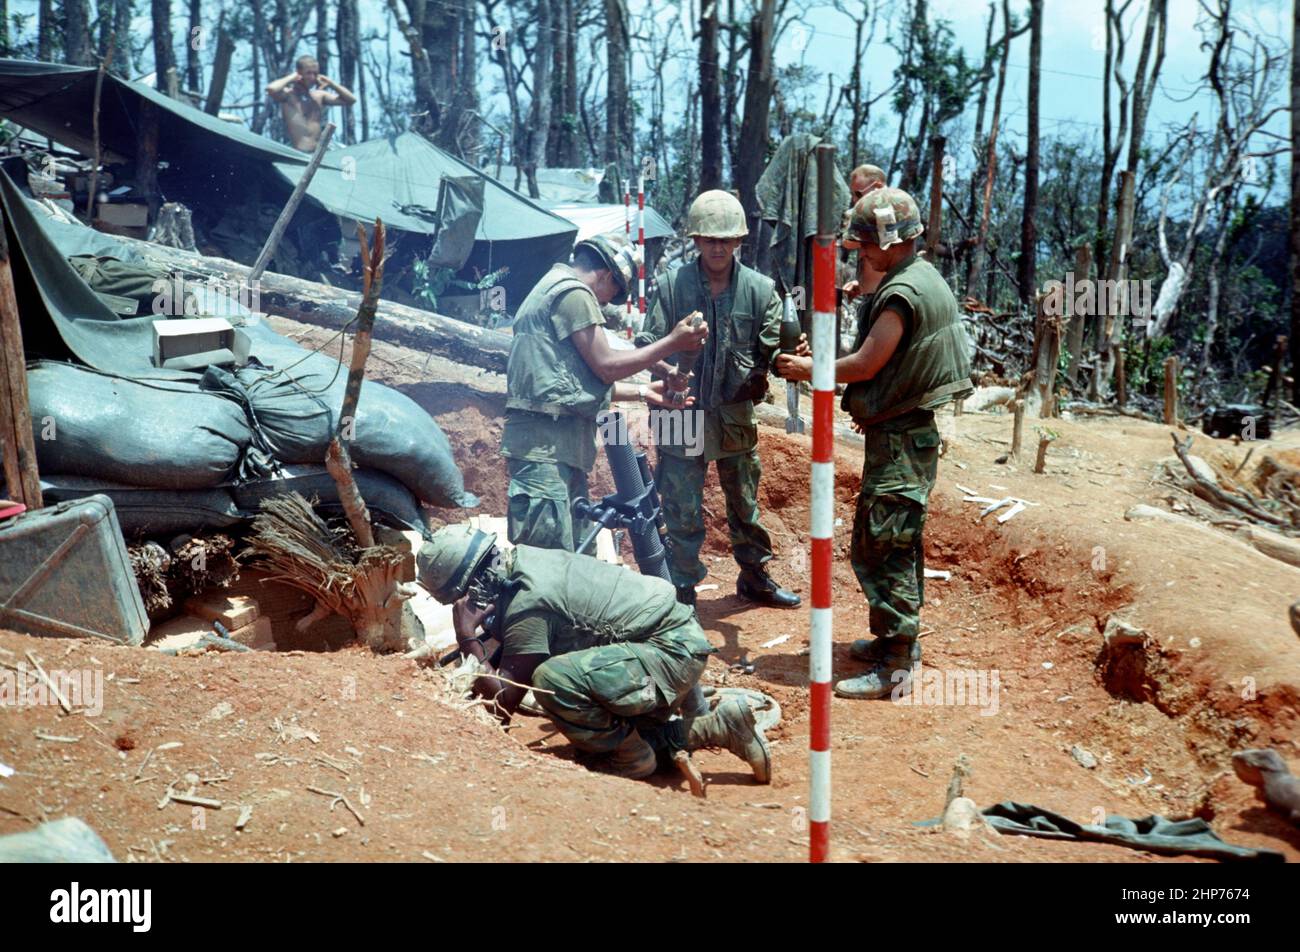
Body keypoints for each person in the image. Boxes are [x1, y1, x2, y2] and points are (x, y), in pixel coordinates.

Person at [776, 187, 973, 700]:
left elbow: (866, 364)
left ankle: (895, 665)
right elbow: (880, 361)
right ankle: (896, 642)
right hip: (903, 434)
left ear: (889, 241)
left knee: (882, 547)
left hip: (902, 442)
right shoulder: (916, 279)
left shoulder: (901, 293)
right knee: (895, 543)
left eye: (864, 243)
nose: (859, 252)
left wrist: (810, 371)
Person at [416, 524, 772, 785]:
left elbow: (502, 704)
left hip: (668, 655)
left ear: (474, 585)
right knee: (595, 745)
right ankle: (723, 726)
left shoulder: (527, 604)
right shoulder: (527, 561)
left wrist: (467, 639)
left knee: (552, 681)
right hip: (670, 648)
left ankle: (632, 757)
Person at [636, 190, 800, 609]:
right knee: (681, 506)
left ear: (739, 240)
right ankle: (682, 588)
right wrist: (667, 372)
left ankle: (755, 576)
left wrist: (788, 356)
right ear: (695, 240)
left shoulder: (762, 290)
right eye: (709, 239)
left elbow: (775, 352)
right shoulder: (673, 285)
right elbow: (647, 344)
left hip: (733, 413)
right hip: (681, 407)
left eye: (726, 239)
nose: (718, 247)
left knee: (745, 502)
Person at [502, 235, 707, 552]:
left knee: (573, 559)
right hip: (546, 449)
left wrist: (645, 392)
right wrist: (673, 343)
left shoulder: (552, 286)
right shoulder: (574, 294)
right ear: (609, 276)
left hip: (554, 447)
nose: (604, 304)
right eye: (612, 295)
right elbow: (607, 366)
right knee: (546, 564)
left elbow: (570, 386)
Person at [266, 56, 357, 152]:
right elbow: (271, 89)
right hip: (299, 153)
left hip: (320, 152)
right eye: (308, 73)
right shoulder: (288, 96)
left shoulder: (318, 96)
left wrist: (331, 83)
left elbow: (351, 100)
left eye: (315, 73)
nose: (312, 77)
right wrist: (291, 77)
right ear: (299, 73)